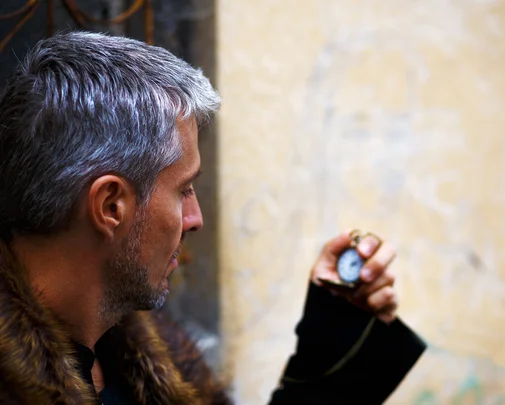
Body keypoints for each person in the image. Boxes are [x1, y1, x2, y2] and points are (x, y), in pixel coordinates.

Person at [0, 31, 426, 405]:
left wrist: (334, 333)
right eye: (184, 189)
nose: (195, 218)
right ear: (111, 206)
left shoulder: (143, 355)